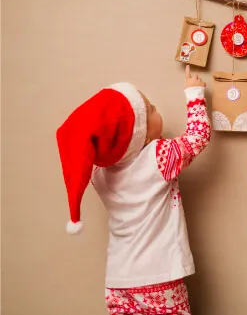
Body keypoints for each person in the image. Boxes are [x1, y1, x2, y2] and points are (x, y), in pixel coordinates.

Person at [56, 65, 211, 315]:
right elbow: (198, 136)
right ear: (143, 136)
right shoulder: (158, 157)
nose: (157, 110)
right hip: (160, 276)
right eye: (151, 110)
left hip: (118, 281)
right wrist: (194, 95)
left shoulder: (99, 175)